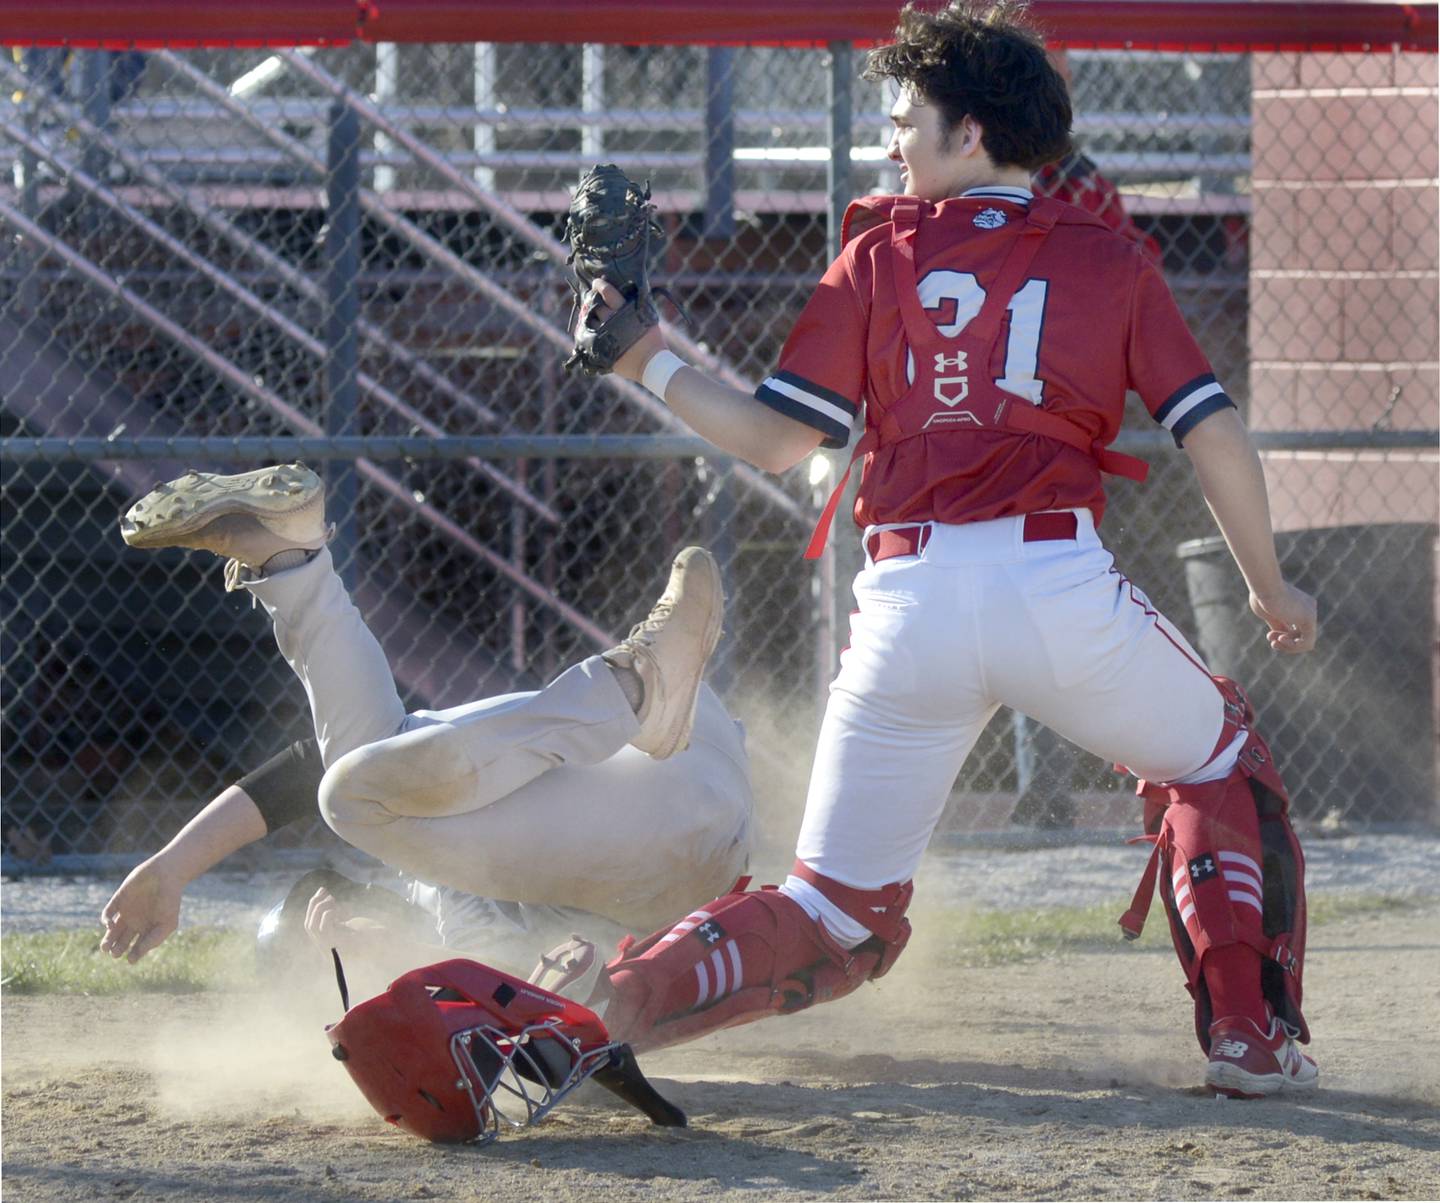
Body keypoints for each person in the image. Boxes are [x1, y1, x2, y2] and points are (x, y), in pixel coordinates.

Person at [574, 0, 1319, 1099]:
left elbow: (776, 442)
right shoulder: (1110, 258)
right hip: (1054, 587)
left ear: (969, 131)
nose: (889, 140)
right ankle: (1248, 1039)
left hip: (909, 605)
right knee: (1217, 763)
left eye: (906, 119)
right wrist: (1269, 584)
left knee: (835, 916)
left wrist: (646, 357)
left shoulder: (874, 258)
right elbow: (1210, 428)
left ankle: (609, 1008)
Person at [100, 463, 754, 998]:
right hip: (677, 840)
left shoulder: (424, 837)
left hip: (670, 769)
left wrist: (171, 866)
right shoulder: (444, 843)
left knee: (349, 788)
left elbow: (308, 770)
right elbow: (557, 993)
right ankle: (291, 563)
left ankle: (637, 686)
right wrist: (400, 954)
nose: (345, 943)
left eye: (327, 947)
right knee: (354, 782)